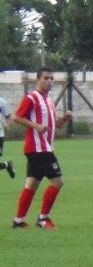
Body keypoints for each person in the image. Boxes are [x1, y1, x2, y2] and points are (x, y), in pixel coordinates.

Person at [11, 67, 71, 229]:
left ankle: (18, 221)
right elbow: (17, 117)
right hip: (38, 149)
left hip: (44, 148)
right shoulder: (32, 98)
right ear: (38, 79)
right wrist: (35, 126)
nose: (49, 81)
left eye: (52, 78)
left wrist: (65, 118)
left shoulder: (49, 101)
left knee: (31, 184)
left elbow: (55, 125)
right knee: (57, 182)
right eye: (46, 78)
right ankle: (43, 219)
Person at [0, 96, 16, 180]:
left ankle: (7, 165)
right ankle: (7, 165)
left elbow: (8, 116)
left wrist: (7, 124)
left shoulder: (1, 101)